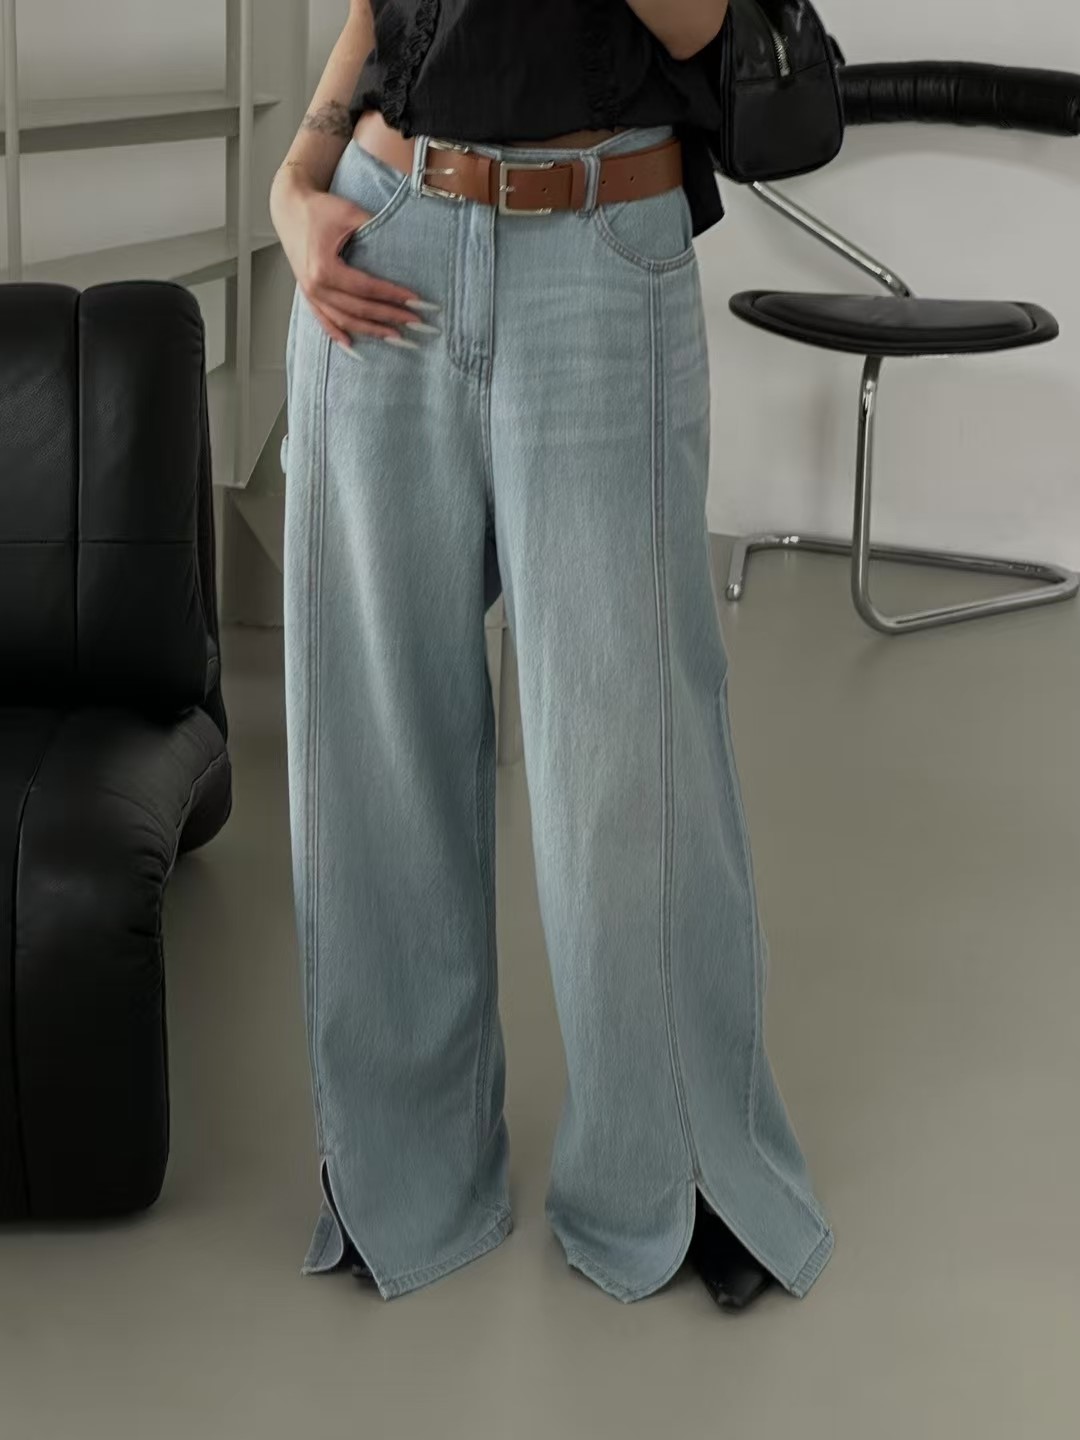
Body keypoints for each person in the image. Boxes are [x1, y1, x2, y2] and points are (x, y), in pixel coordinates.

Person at [269, 0, 835, 1311]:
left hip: (600, 246)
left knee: (629, 751)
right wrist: (295, 182)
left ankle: (680, 1171)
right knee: (374, 743)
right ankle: (395, 1174)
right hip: (384, 235)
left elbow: (697, 26)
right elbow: (376, 15)